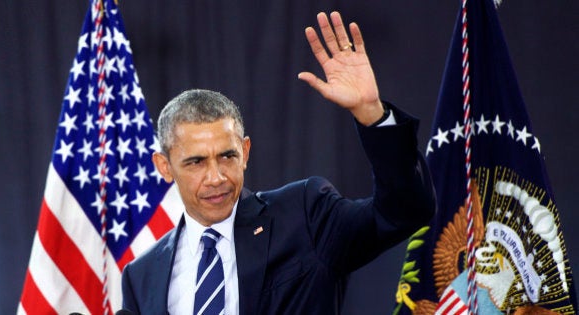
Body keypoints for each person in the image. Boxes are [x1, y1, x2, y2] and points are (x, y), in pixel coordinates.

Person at [121, 11, 435, 315]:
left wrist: (371, 113)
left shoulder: (304, 216)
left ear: (245, 152)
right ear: (164, 166)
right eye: (196, 162)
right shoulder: (142, 275)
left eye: (227, 156)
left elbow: (403, 212)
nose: (216, 177)